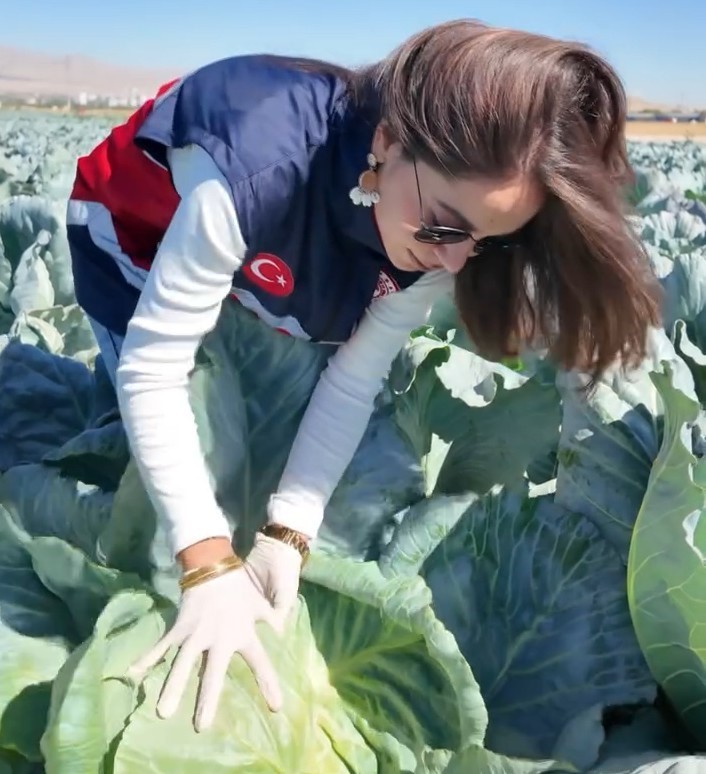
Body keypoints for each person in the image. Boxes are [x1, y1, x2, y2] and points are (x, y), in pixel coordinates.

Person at [65, 18, 662, 731]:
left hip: (307, 238)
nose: (451, 263)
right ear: (385, 143)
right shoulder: (254, 170)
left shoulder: (442, 234)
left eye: (485, 241)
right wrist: (206, 563)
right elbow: (154, 369)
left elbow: (351, 381)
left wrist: (286, 534)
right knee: (174, 434)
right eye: (443, 227)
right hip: (135, 237)